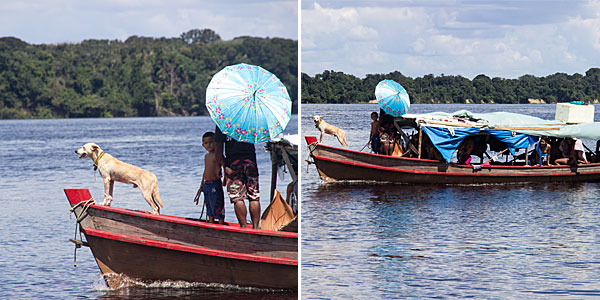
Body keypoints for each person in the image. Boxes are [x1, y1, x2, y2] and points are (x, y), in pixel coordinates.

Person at [214, 126, 260, 228]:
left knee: (237, 197)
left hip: (233, 163)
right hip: (250, 161)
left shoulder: (222, 121)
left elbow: (218, 147)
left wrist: (218, 166)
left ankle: (243, 226)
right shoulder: (249, 119)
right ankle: (256, 227)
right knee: (254, 196)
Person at [195, 132, 225, 224]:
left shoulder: (218, 155)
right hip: (206, 184)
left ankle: (220, 223)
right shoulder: (206, 156)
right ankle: (210, 222)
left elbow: (225, 166)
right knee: (209, 204)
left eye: (211, 142)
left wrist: (225, 179)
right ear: (203, 145)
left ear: (216, 143)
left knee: (218, 203)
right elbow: (205, 170)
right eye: (206, 143)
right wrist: (201, 184)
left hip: (215, 183)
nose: (209, 145)